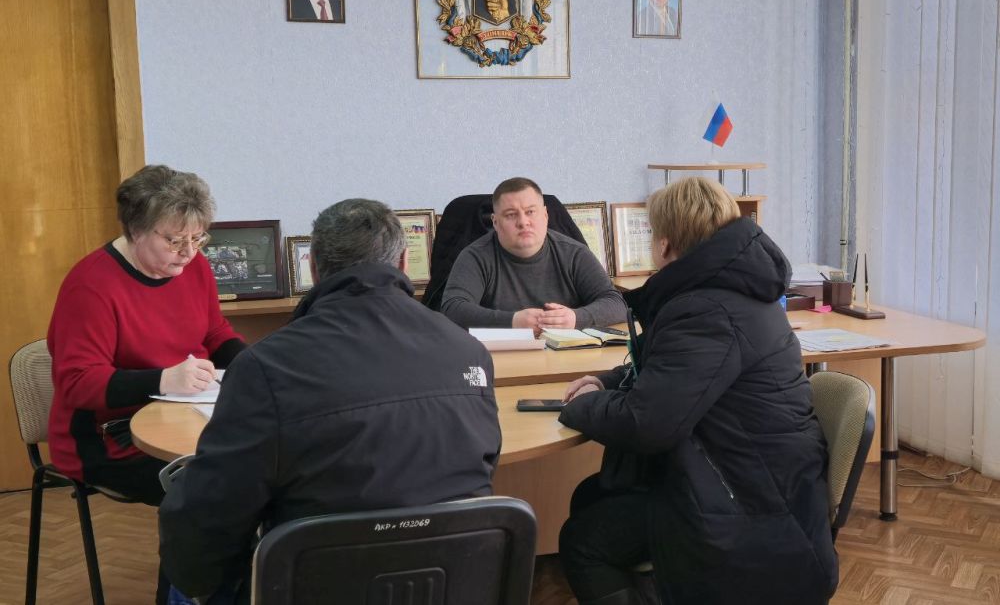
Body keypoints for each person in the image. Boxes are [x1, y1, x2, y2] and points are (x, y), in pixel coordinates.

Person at [159, 199, 501, 603]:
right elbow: (483, 467)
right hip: (449, 581)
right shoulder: (469, 352)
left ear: (314, 269)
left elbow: (211, 518)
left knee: (183, 565)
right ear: (405, 263)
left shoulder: (265, 367)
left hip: (317, 584)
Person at [557, 177, 838, 605]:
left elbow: (648, 424)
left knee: (583, 540)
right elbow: (670, 371)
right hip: (760, 481)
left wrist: (583, 407)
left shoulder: (706, 310)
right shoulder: (732, 289)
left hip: (750, 508)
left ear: (666, 245)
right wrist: (607, 382)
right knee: (592, 496)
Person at [47, 164, 246, 604]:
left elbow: (214, 333)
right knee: (208, 492)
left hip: (182, 417)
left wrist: (253, 365)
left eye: (198, 238)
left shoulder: (193, 269)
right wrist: (162, 378)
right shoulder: (92, 286)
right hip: (107, 438)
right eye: (173, 240)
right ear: (136, 230)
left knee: (259, 472)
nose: (188, 252)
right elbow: (78, 383)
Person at [440, 177, 627, 331]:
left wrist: (576, 318)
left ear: (545, 215)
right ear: (495, 222)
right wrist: (512, 321)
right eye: (511, 214)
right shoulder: (476, 256)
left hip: (565, 358)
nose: (523, 222)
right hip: (502, 360)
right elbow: (452, 308)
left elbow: (616, 303)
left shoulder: (574, 253)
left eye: (530, 212)